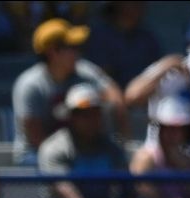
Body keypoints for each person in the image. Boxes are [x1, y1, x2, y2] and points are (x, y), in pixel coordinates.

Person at [12, 18, 127, 165]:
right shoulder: (30, 85)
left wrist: (122, 141)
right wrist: (64, 158)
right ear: (52, 52)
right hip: (36, 155)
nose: (78, 52)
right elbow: (35, 137)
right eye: (72, 47)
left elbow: (115, 99)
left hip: (80, 151)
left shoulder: (85, 71)